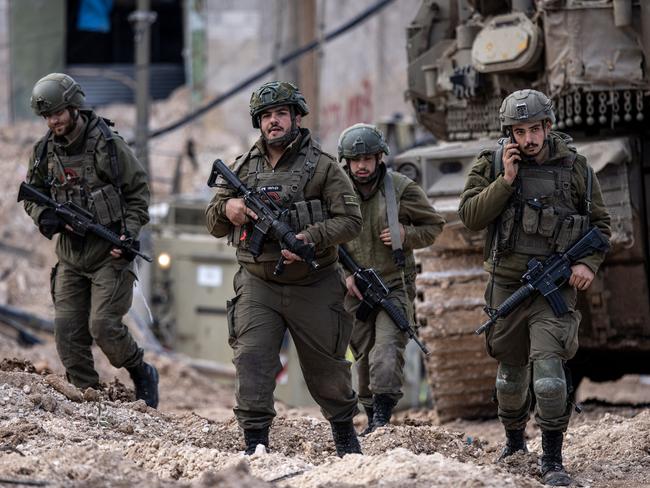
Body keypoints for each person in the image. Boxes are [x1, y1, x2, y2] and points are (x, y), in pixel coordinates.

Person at [458, 89, 611, 486]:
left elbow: (601, 226)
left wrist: (586, 264)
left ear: (548, 127)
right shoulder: (491, 164)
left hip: (554, 289)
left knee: (547, 375)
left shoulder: (575, 167)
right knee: (509, 377)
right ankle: (514, 441)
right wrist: (506, 181)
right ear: (509, 133)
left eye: (535, 129)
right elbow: (470, 217)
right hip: (508, 286)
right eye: (519, 131)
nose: (528, 139)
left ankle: (553, 458)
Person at [205, 81, 363, 457]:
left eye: (280, 114)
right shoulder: (243, 167)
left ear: (295, 117)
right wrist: (228, 210)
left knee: (327, 370)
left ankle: (345, 439)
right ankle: (255, 445)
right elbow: (212, 221)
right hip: (258, 283)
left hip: (315, 282)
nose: (273, 122)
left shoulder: (323, 168)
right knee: (252, 360)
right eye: (266, 116)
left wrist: (311, 237)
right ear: (258, 123)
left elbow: (351, 220)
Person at [22, 73, 158, 408]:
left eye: (57, 113)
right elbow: (31, 195)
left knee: (104, 327)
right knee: (67, 333)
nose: (53, 121)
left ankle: (141, 371)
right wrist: (44, 217)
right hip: (70, 257)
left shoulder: (109, 146)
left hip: (107, 256)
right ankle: (88, 401)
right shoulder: (44, 152)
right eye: (47, 116)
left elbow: (138, 192)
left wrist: (128, 232)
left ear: (74, 107)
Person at [337, 123, 445, 435]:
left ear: (380, 158)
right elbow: (324, 238)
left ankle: (382, 419)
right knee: (363, 359)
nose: (361, 166)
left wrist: (405, 234)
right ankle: (371, 417)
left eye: (368, 159)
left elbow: (434, 225)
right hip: (354, 289)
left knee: (385, 352)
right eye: (355, 160)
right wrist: (344, 274)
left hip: (392, 285)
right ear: (346, 161)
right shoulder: (337, 192)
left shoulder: (400, 189)